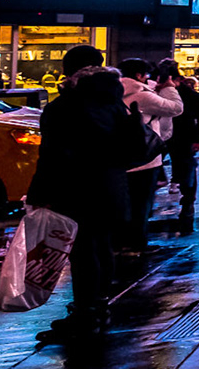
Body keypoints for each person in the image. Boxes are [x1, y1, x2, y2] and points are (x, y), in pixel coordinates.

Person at [26, 46, 131, 342]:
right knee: (101, 248)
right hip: (111, 187)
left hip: (77, 190)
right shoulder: (113, 101)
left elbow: (52, 155)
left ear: (69, 71)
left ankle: (84, 316)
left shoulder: (65, 105)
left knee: (83, 254)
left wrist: (38, 192)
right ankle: (98, 307)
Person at [118, 58, 183, 253]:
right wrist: (170, 88)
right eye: (146, 75)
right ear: (139, 75)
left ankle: (121, 242)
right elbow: (175, 108)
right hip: (144, 159)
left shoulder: (114, 91)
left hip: (122, 156)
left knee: (126, 202)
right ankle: (135, 244)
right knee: (141, 204)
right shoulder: (142, 95)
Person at [156, 59, 199, 225]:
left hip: (180, 135)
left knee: (185, 167)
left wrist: (198, 139)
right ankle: (185, 198)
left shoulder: (187, 95)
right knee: (183, 167)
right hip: (172, 135)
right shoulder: (182, 94)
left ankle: (187, 201)